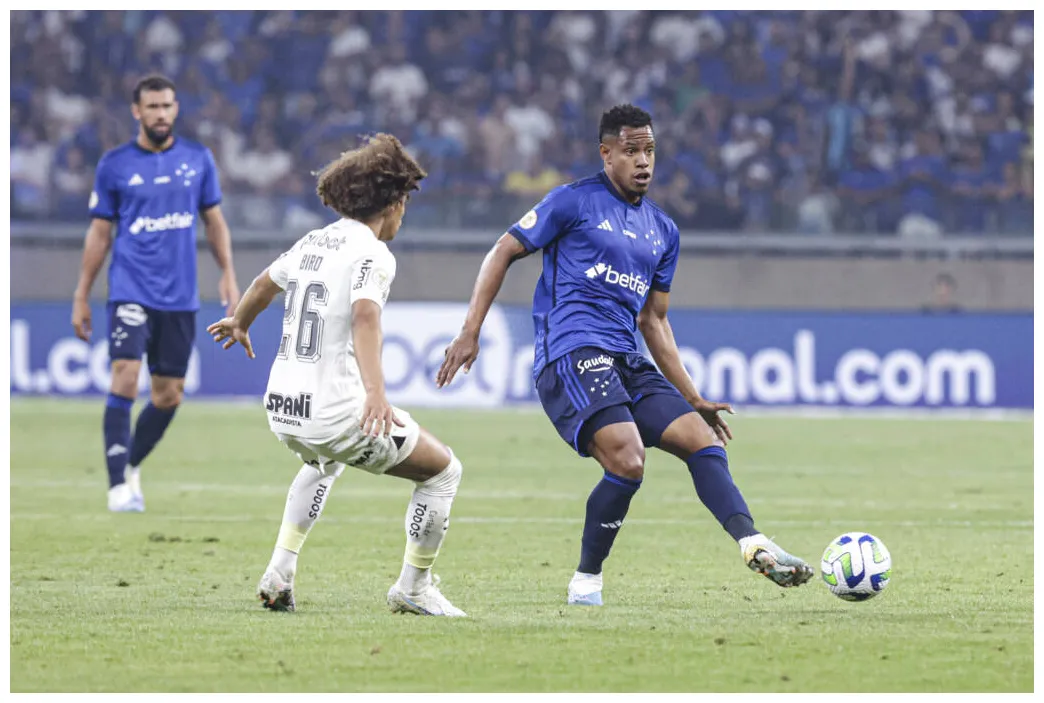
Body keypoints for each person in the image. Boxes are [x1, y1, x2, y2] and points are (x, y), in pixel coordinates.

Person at [437, 105, 814, 606]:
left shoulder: (664, 230)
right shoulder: (572, 202)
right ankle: (586, 580)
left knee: (702, 441)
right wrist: (470, 330)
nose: (644, 162)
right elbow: (504, 248)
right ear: (607, 153)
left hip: (626, 359)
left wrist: (693, 396)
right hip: (571, 353)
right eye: (632, 150)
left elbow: (654, 321)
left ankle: (753, 542)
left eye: (651, 150)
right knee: (629, 458)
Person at [206, 133, 467, 617]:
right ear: (391, 202)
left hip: (283, 408)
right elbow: (366, 316)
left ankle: (279, 571)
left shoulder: (312, 240)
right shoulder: (373, 253)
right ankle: (414, 586)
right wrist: (376, 394)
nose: (403, 213)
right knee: (443, 472)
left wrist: (240, 321)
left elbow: (264, 283)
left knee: (323, 462)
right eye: (404, 202)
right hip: (333, 413)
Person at [71, 74, 240, 513]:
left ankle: (129, 466)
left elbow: (214, 221)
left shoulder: (198, 159)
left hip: (180, 298)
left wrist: (228, 275)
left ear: (175, 108)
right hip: (129, 289)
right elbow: (100, 233)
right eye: (152, 107)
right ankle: (115, 487)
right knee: (125, 375)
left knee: (168, 395)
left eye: (167, 106)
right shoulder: (114, 164)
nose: (160, 114)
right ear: (137, 112)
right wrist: (81, 294)